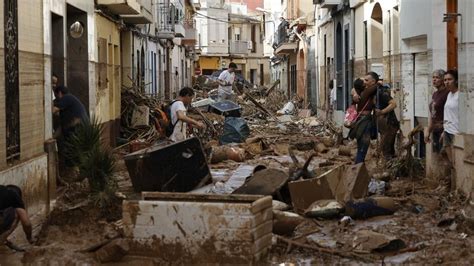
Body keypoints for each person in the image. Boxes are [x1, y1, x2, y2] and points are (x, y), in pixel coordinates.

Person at [351, 72, 379, 164]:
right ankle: (358, 169)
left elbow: (353, 89)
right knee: (363, 147)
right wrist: (379, 83)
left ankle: (358, 166)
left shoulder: (359, 93)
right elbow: (376, 86)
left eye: (367, 80)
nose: (366, 82)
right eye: (365, 81)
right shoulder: (366, 92)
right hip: (364, 121)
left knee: (361, 147)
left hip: (360, 121)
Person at [441, 69, 459, 189]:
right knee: (449, 161)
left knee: (456, 162)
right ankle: (450, 186)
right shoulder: (449, 94)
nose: (447, 82)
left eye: (449, 79)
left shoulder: (460, 95)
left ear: (456, 80)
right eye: (445, 80)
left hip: (456, 133)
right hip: (447, 131)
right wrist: (444, 130)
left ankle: (457, 187)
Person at [425, 69, 449, 153]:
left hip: (443, 131)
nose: (434, 80)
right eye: (433, 77)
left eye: (437, 77)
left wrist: (445, 131)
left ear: (443, 80)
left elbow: (449, 114)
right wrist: (428, 130)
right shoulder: (435, 94)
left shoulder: (447, 93)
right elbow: (432, 114)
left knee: (444, 158)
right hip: (435, 131)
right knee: (436, 157)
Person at [374, 81, 399, 160]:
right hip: (384, 123)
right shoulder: (373, 93)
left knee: (387, 147)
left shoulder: (381, 92)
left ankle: (389, 166)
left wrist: (382, 112)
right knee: (385, 145)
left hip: (389, 122)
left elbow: (393, 104)